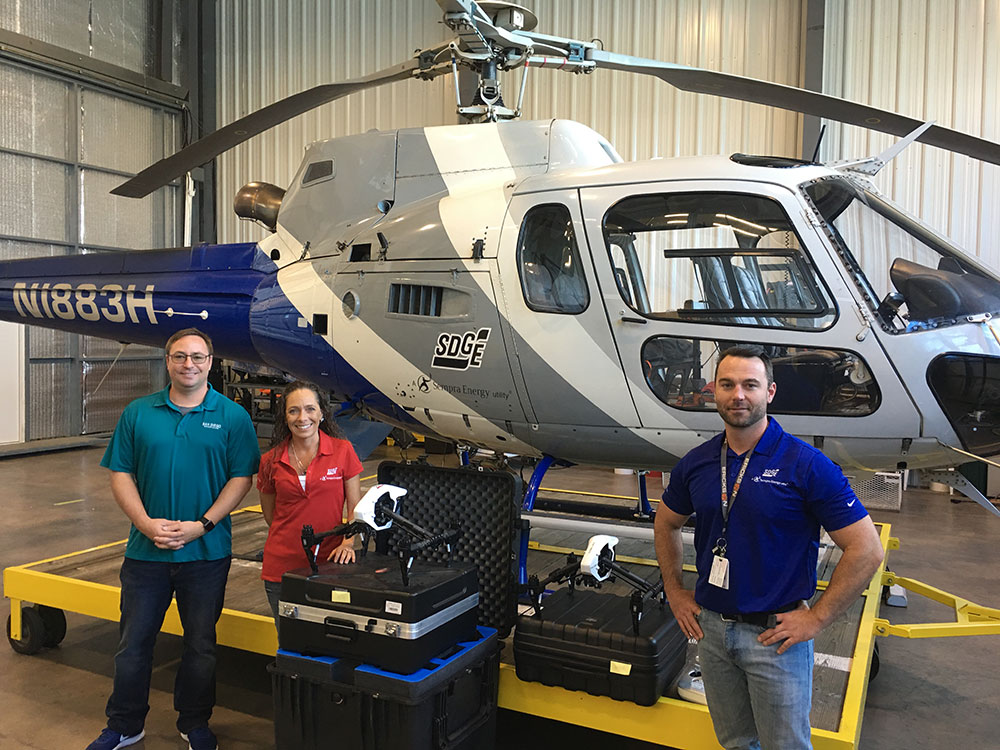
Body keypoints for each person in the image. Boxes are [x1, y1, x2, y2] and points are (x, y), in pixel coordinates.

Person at [654, 344, 884, 750]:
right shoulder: (699, 462)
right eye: (727, 384)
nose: (738, 395)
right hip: (712, 633)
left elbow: (866, 549)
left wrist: (816, 620)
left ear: (770, 392)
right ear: (714, 391)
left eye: (750, 385)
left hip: (775, 639)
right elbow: (666, 521)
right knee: (736, 742)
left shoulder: (806, 465)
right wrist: (674, 591)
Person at [87, 328, 260, 750]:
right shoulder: (138, 413)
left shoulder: (233, 416)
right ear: (167, 361)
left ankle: (195, 722)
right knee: (133, 643)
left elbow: (242, 478)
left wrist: (203, 524)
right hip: (146, 554)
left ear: (210, 361)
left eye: (197, 357)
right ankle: (126, 724)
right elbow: (120, 472)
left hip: (206, 554)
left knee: (200, 646)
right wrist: (146, 523)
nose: (189, 364)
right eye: (180, 356)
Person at [257, 381, 363, 619]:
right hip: (281, 567)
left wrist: (347, 543)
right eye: (293, 410)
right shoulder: (270, 460)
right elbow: (270, 515)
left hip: (330, 564)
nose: (302, 417)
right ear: (285, 417)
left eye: (310, 409)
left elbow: (354, 507)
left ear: (322, 413)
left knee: (328, 639)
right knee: (288, 642)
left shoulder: (343, 450)